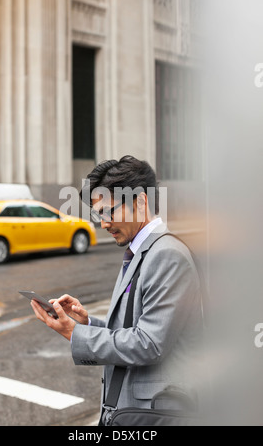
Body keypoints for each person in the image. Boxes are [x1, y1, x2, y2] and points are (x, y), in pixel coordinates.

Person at [31, 155, 204, 425]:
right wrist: (87, 322)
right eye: (99, 214)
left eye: (110, 211)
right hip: (131, 411)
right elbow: (133, 328)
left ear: (140, 202)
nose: (104, 223)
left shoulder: (167, 254)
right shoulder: (141, 251)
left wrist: (75, 333)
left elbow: (149, 344)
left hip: (154, 415)